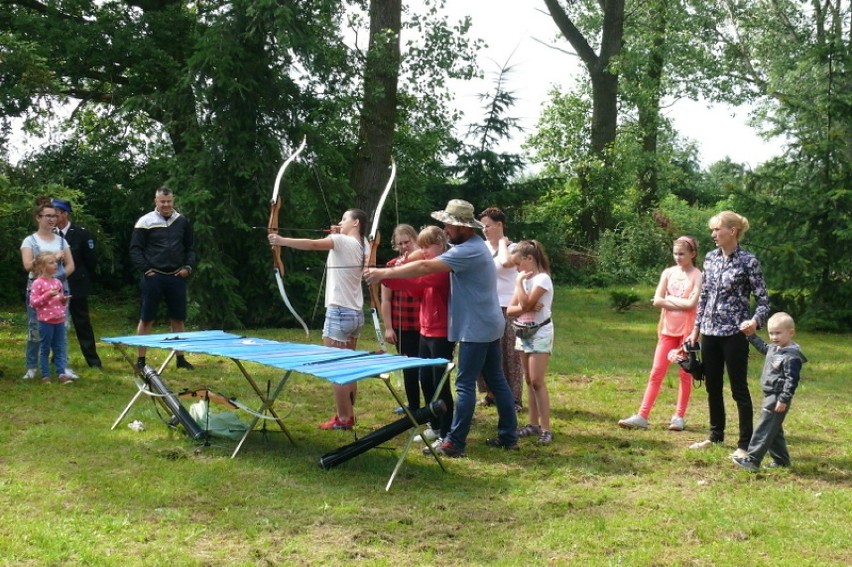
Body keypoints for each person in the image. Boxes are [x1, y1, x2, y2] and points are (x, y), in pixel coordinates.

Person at [366, 199, 518, 457]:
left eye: (450, 225)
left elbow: (425, 267)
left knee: (465, 384)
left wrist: (383, 274)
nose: (446, 229)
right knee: (496, 379)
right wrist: (390, 269)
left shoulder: (466, 250)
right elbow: (422, 259)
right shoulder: (472, 245)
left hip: (477, 328)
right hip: (488, 323)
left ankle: (455, 442)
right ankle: (508, 435)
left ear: (464, 227)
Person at [268, 208, 368, 430]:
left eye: (344, 219)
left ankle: (343, 419)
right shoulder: (364, 244)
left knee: (336, 367)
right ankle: (348, 415)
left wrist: (281, 240)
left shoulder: (341, 241)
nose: (340, 222)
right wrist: (338, 234)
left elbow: (312, 244)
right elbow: (338, 242)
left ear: (356, 223)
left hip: (339, 312)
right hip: (355, 314)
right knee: (349, 365)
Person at [687, 211, 771, 458]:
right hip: (709, 332)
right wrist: (696, 329)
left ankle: (745, 445)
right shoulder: (711, 258)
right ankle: (715, 436)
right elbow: (704, 296)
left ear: (732, 231)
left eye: (717, 230)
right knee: (712, 385)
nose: (713, 234)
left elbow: (764, 300)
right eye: (712, 230)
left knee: (738, 389)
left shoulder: (749, 261)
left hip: (735, 333)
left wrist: (755, 321)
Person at [618, 236, 703, 432]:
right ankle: (642, 415)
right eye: (675, 253)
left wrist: (670, 300)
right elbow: (657, 300)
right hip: (667, 329)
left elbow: (692, 304)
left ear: (693, 254)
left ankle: (679, 416)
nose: (678, 257)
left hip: (687, 332)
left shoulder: (697, 275)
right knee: (656, 372)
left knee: (684, 373)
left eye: (682, 253)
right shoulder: (668, 272)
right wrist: (678, 302)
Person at [381, 226, 455, 450]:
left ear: (440, 245)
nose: (422, 252)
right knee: (426, 379)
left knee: (440, 383)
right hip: (425, 329)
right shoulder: (429, 265)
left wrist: (387, 276)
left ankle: (446, 430)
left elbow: (418, 283)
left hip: (440, 332)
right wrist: (389, 275)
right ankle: (434, 423)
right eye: (420, 247)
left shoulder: (442, 267)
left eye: (426, 247)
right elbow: (416, 291)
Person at [130, 186, 197, 371]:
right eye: (162, 201)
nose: (166, 205)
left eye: (169, 201)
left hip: (177, 276)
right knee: (147, 318)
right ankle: (141, 360)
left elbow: (190, 247)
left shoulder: (182, 221)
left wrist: (188, 268)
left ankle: (181, 359)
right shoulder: (145, 221)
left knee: (178, 319)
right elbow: (135, 249)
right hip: (154, 277)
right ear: (156, 201)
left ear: (173, 201)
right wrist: (146, 270)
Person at [732, 312, 806, 471]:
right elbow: (764, 347)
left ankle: (752, 459)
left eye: (778, 333)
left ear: (791, 332)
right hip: (769, 394)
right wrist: (751, 336)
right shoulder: (775, 348)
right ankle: (781, 461)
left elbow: (791, 380)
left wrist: (784, 399)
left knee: (764, 427)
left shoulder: (791, 356)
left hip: (778, 396)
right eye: (771, 333)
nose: (773, 337)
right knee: (773, 429)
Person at [20, 198, 75, 380]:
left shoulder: (61, 241)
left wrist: (56, 280)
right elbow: (28, 265)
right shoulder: (30, 241)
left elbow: (70, 266)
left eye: (54, 216)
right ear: (38, 218)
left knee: (61, 327)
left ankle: (62, 367)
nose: (52, 219)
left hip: (59, 291)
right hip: (36, 290)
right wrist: (51, 259)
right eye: (48, 216)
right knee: (35, 328)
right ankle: (32, 367)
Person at [506, 240, 555, 445]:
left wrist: (519, 287)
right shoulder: (525, 280)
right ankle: (532, 424)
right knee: (528, 380)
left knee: (537, 381)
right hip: (523, 333)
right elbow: (511, 311)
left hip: (540, 332)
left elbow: (524, 303)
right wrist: (526, 305)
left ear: (530, 259)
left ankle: (546, 428)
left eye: (519, 263)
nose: (517, 269)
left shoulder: (542, 279)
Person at [477, 207, 524, 411]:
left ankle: (514, 398)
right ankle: (491, 392)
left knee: (509, 353)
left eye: (487, 226)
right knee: (488, 351)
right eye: (482, 227)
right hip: (486, 305)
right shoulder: (481, 246)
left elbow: (506, 265)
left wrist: (503, 243)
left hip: (508, 306)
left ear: (499, 225)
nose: (484, 230)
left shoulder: (513, 248)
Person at [52, 199, 102, 369]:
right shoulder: (50, 234)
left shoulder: (81, 234)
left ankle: (93, 360)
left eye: (56, 214)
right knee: (56, 322)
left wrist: (82, 278)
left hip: (77, 284)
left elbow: (91, 260)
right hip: (54, 287)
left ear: (65, 214)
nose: (52, 217)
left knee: (82, 323)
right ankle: (56, 359)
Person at [380, 224, 423, 411]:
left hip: (425, 324)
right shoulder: (391, 266)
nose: (404, 246)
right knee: (408, 365)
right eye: (400, 244)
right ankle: (413, 405)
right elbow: (386, 300)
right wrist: (388, 327)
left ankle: (435, 405)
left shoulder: (425, 263)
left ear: (415, 240)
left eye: (407, 242)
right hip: (402, 325)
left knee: (428, 366)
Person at [28, 252, 72, 383]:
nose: (55, 265)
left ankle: (61, 373)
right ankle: (45, 375)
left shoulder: (58, 282)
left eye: (55, 262)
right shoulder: (37, 283)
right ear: (42, 266)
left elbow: (59, 300)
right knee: (45, 348)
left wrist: (63, 300)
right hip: (45, 322)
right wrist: (47, 295)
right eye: (51, 263)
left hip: (59, 320)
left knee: (59, 348)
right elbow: (33, 302)